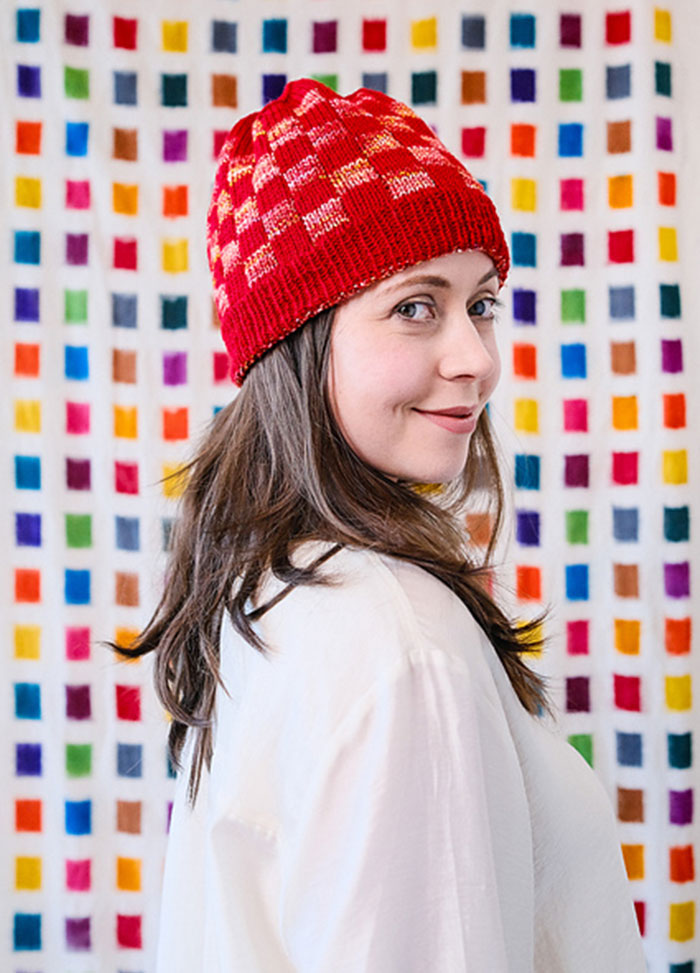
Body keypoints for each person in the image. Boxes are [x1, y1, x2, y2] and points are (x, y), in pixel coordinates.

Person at [126, 78, 646, 970]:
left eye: (481, 303)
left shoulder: (276, 594)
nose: (476, 359)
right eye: (416, 306)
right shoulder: (399, 648)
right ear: (299, 341)